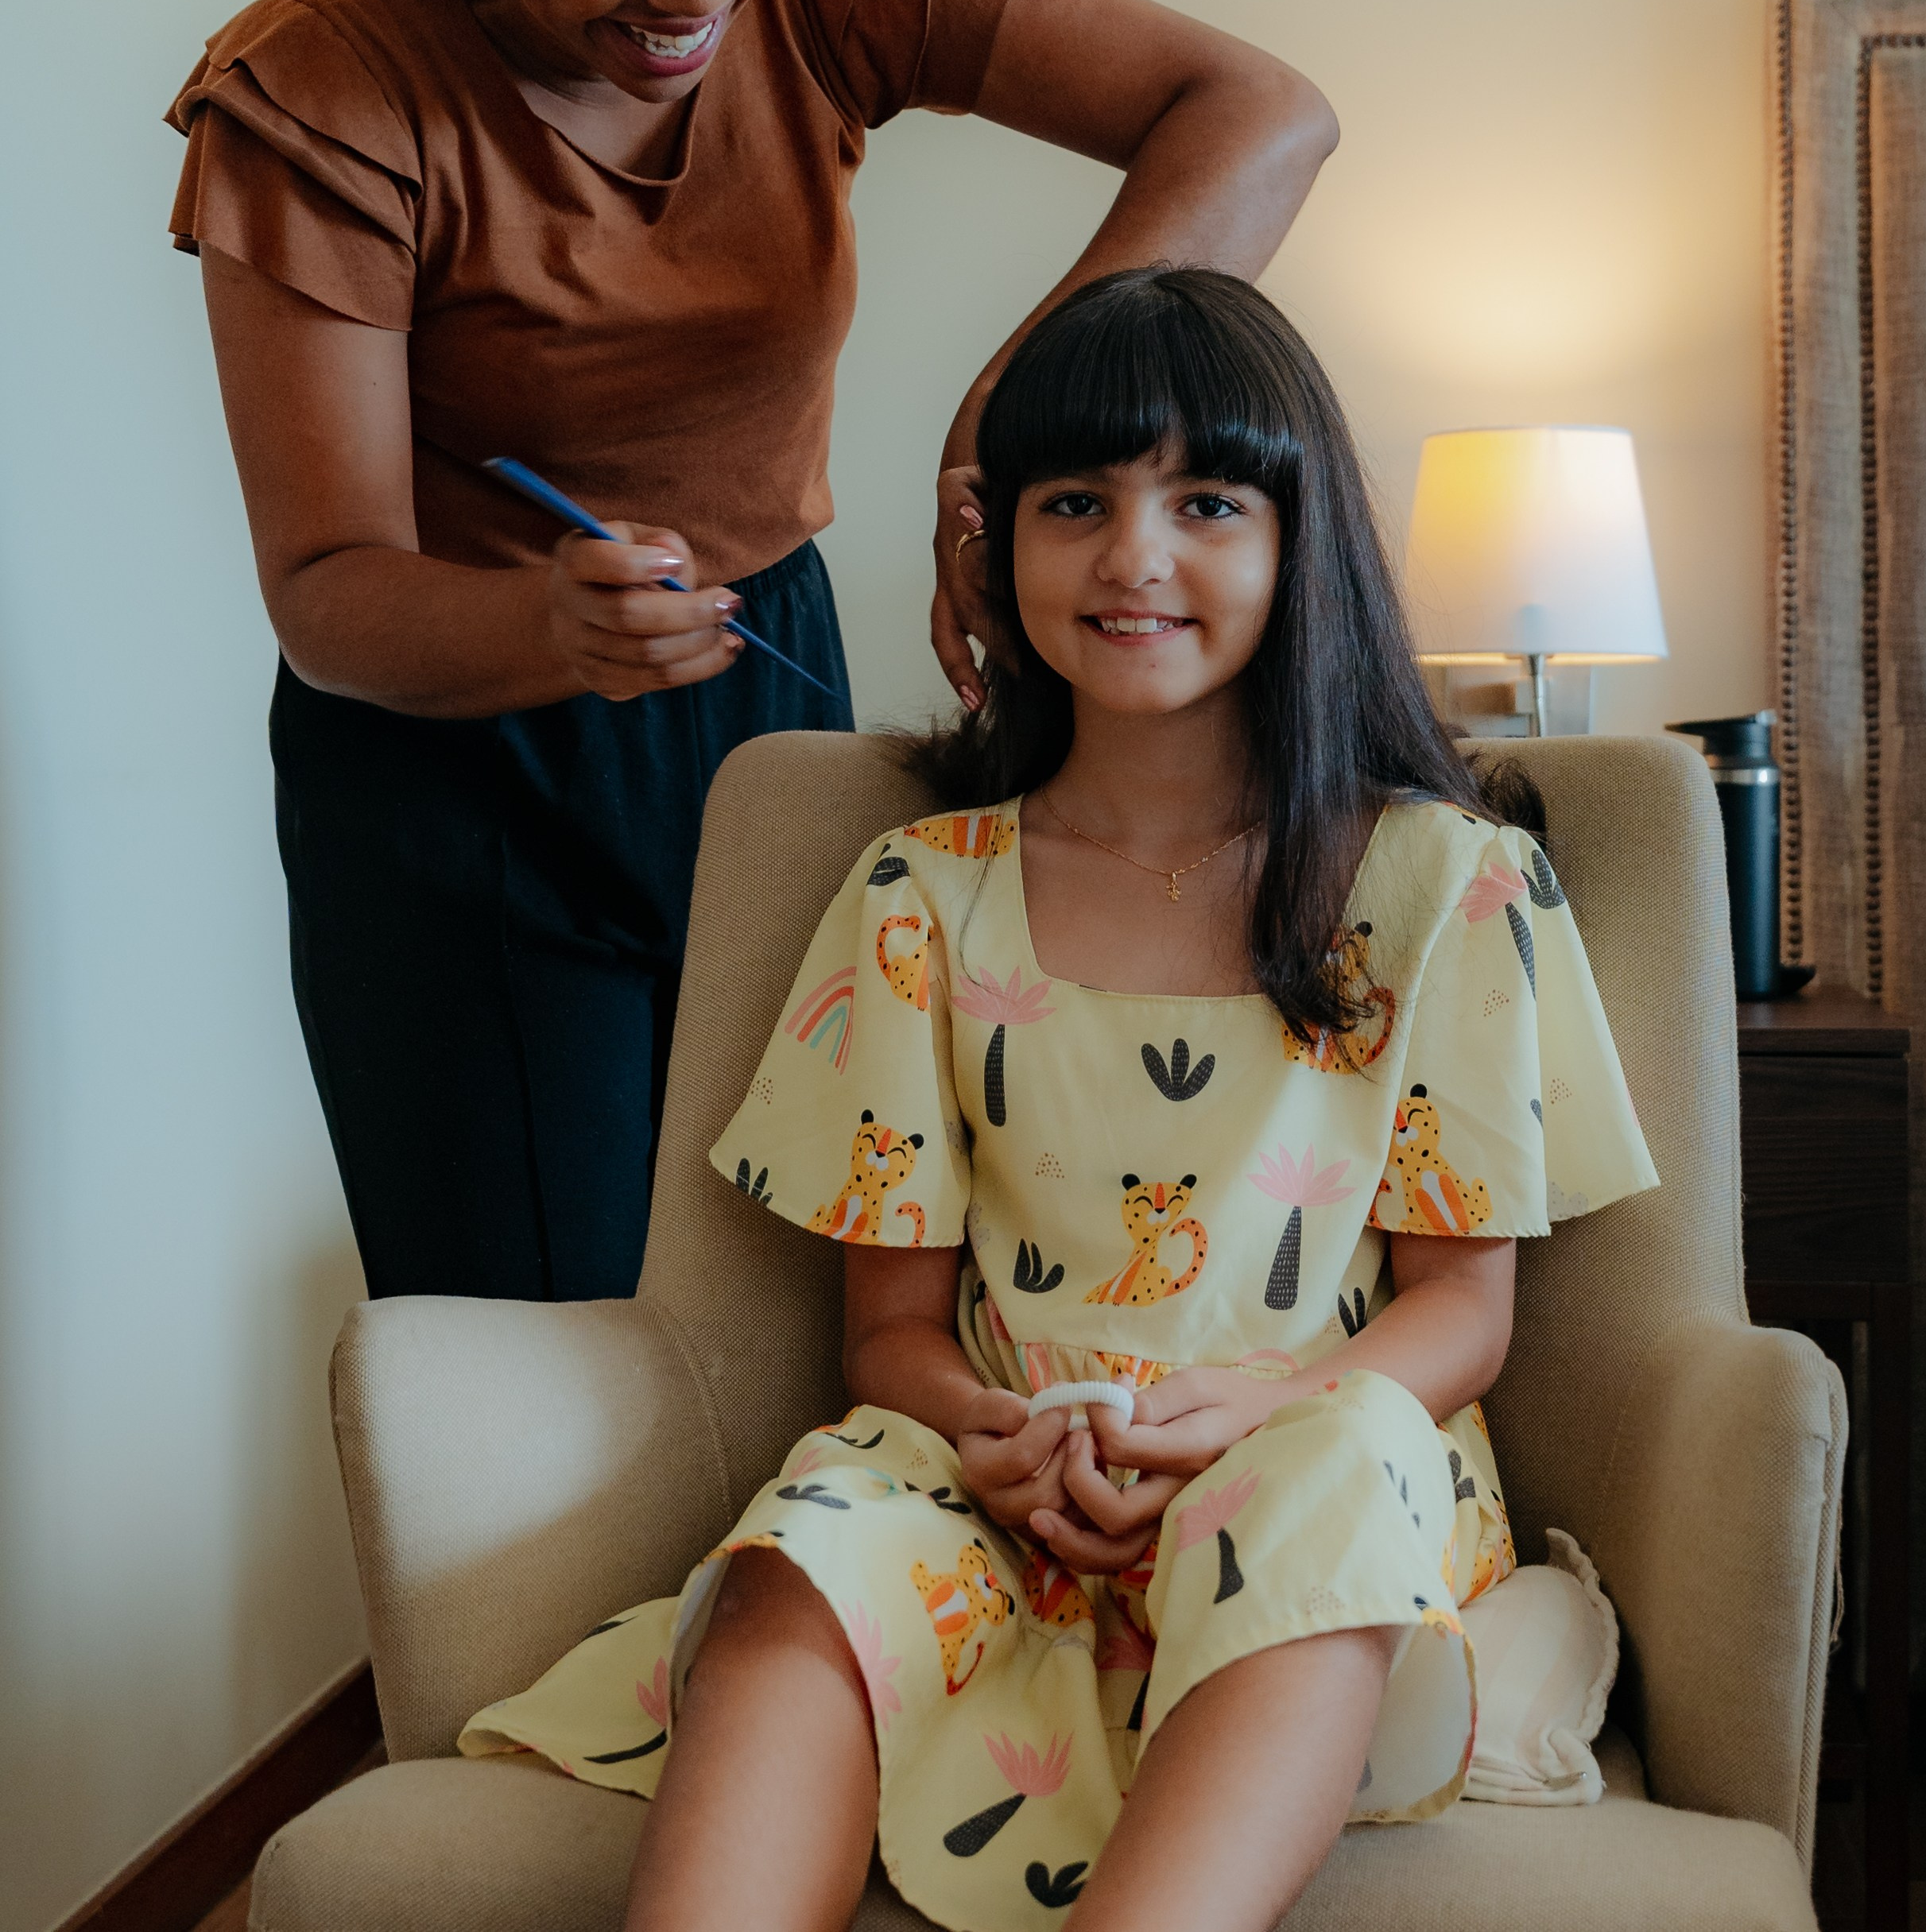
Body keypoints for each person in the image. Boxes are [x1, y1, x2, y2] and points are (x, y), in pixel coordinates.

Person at [168, 0, 1336, 1305]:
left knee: (808, 1318)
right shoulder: (325, 91)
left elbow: (1260, 114)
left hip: (759, 690)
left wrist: (1014, 412)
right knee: (549, 1352)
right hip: (462, 758)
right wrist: (544, 619)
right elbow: (330, 586)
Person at [459, 267, 1658, 1932]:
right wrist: (990, 1433)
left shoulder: (1450, 883)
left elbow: (1463, 1311)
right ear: (994, 542)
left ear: (1301, 540)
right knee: (806, 1544)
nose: (1134, 555)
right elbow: (889, 1335)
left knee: (1337, 1462)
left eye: (1208, 500)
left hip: (1311, 1472)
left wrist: (1252, 1415)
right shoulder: (916, 893)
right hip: (997, 1477)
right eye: (1076, 500)